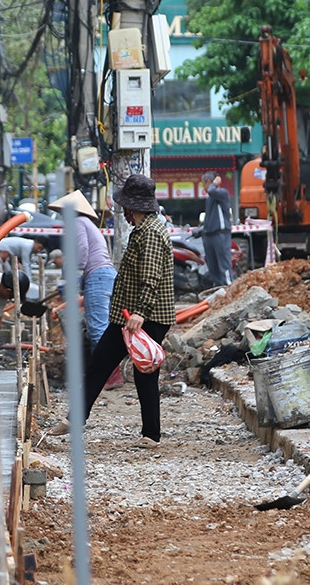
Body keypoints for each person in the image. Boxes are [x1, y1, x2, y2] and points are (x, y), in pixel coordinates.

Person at [56, 174, 175, 445]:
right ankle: (74, 420)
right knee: (101, 364)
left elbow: (151, 277)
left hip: (145, 316)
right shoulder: (143, 231)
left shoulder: (152, 234)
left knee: (144, 372)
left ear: (133, 208)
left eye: (125, 209)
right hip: (128, 315)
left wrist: (140, 313)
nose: (123, 214)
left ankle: (151, 435)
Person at [49, 189, 116, 352]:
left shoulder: (77, 222)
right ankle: (108, 374)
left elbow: (82, 251)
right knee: (105, 329)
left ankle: (102, 376)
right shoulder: (85, 223)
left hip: (98, 276)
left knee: (98, 332)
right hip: (105, 276)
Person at [200, 172, 234, 288]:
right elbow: (210, 218)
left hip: (220, 235)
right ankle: (218, 288)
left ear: (209, 183)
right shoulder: (210, 199)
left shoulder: (222, 193)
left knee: (223, 265)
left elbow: (212, 191)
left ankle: (229, 289)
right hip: (209, 236)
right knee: (213, 267)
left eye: (204, 183)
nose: (203, 187)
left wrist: (214, 183)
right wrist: (202, 229)